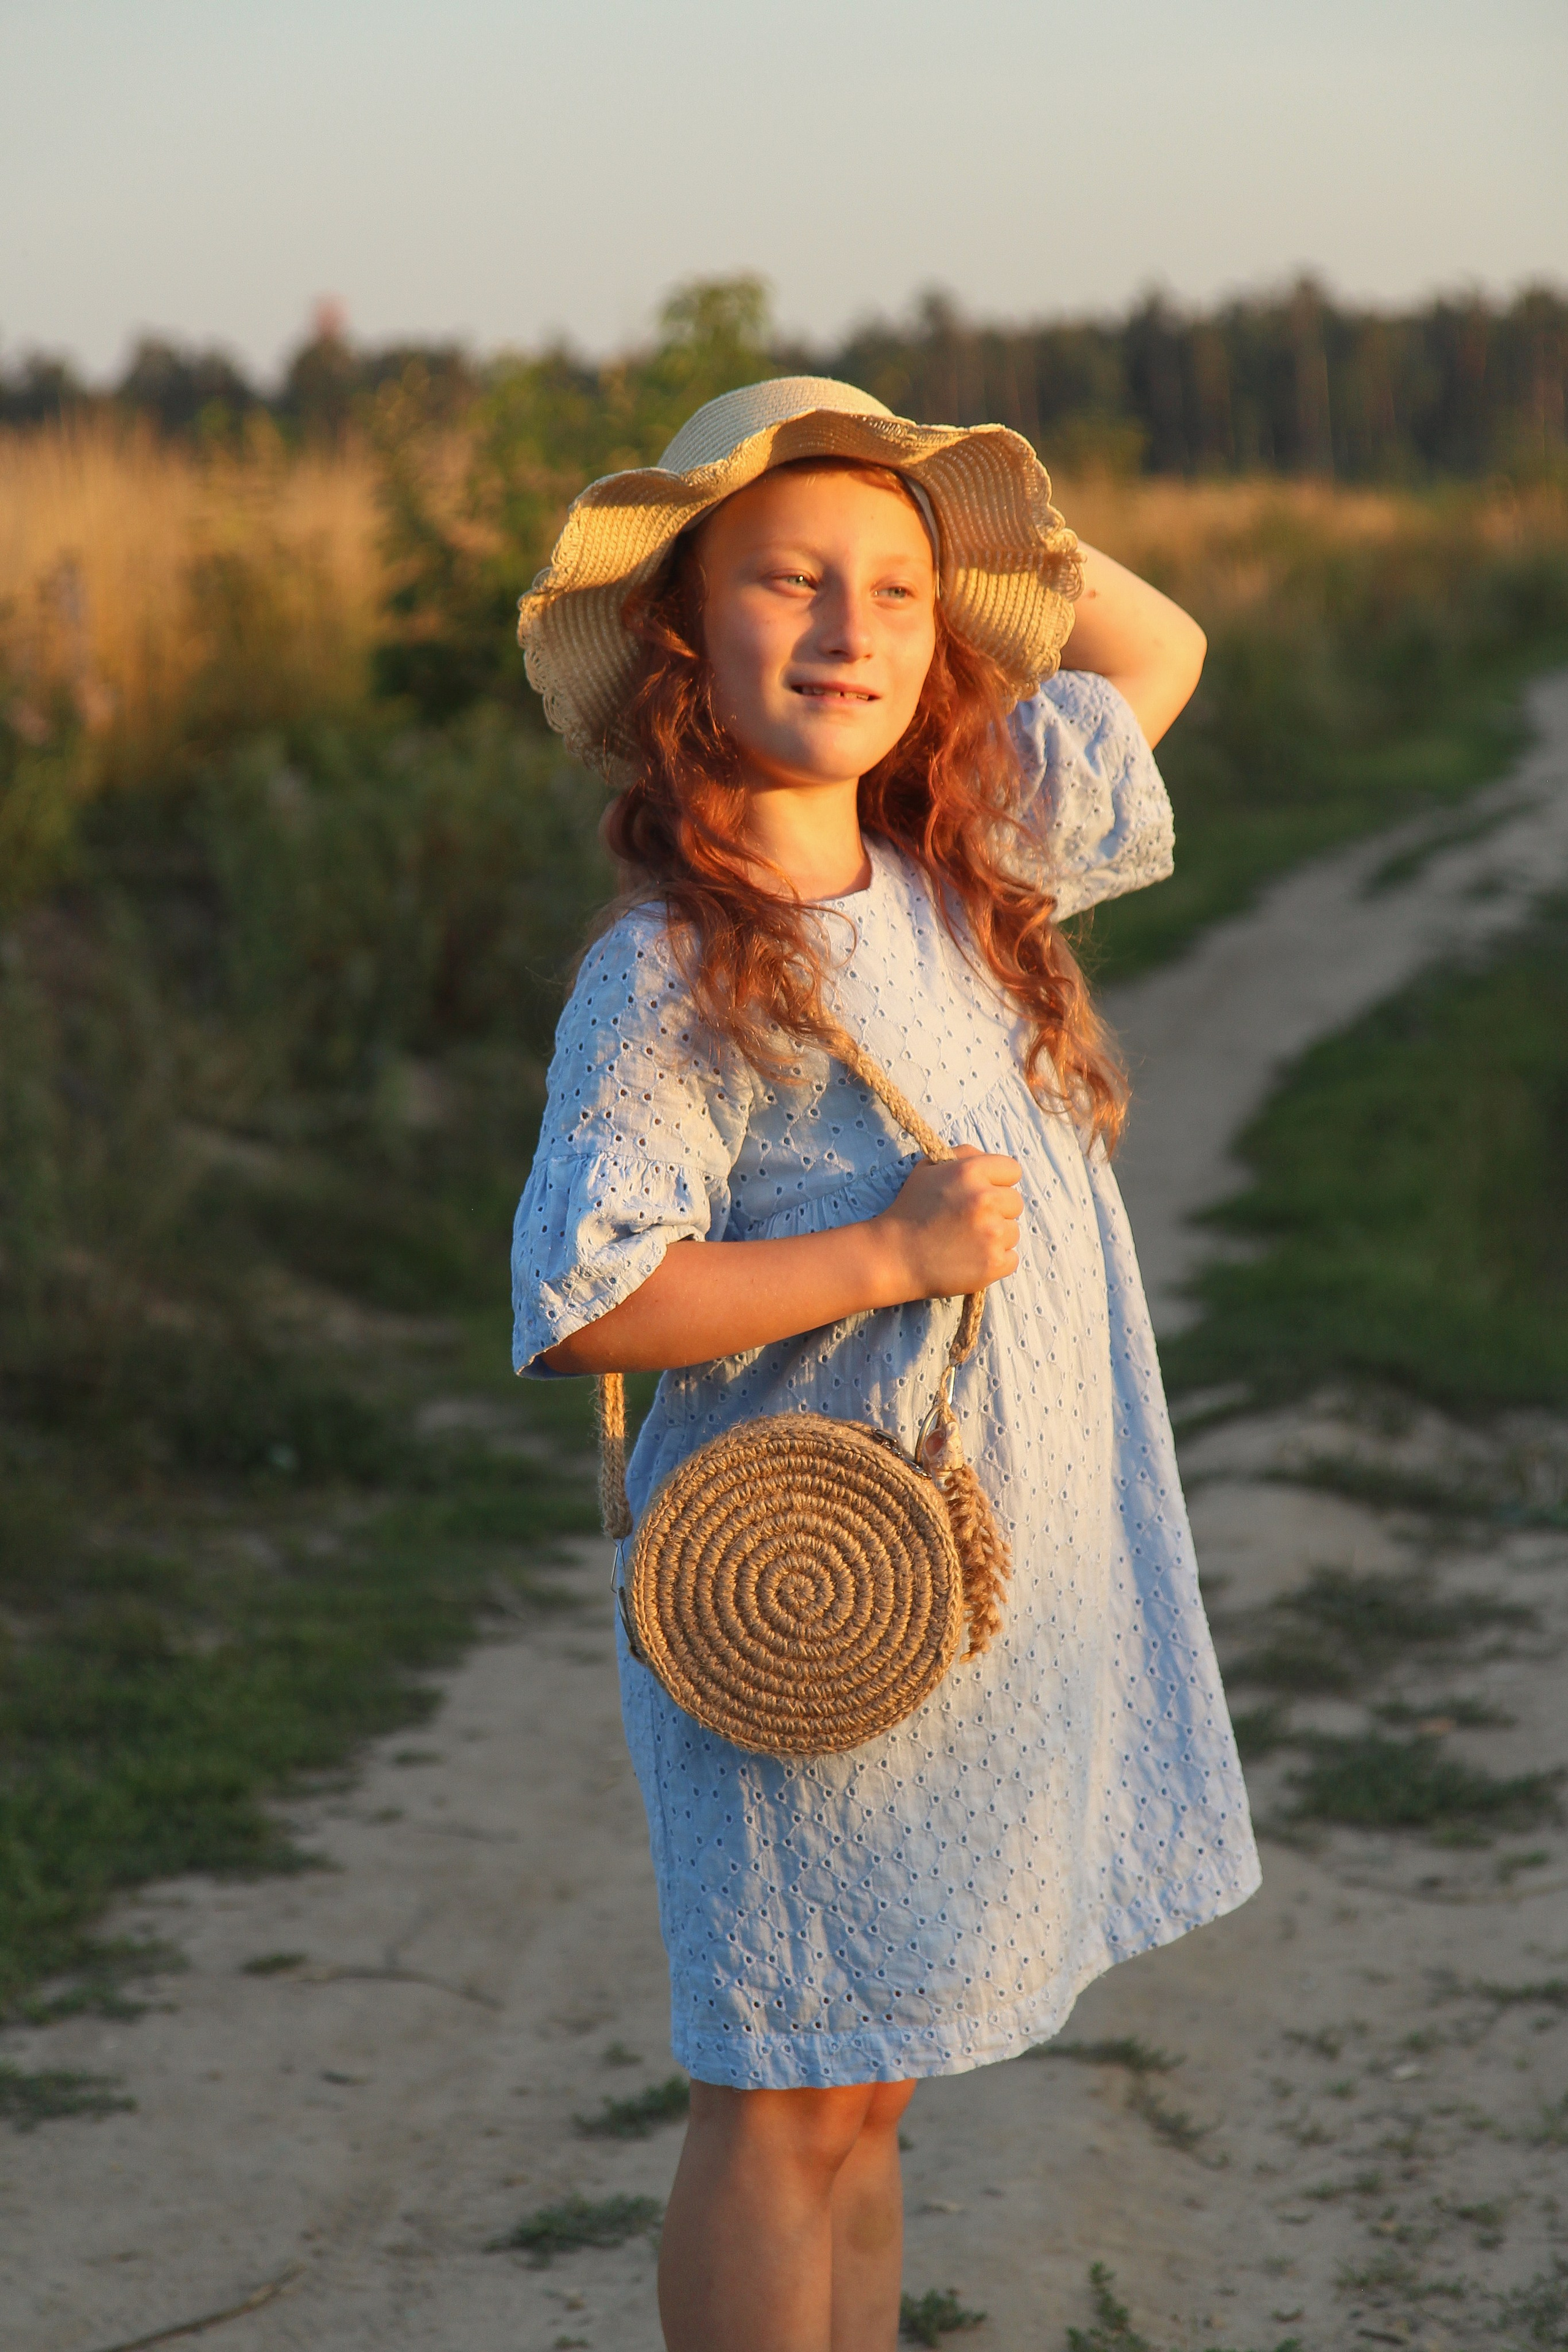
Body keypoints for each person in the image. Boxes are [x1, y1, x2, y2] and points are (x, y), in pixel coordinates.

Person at [510, 377, 1259, 2352]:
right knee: (779, 2094)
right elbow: (585, 1297)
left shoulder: (964, 864)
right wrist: (882, 1253)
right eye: (789, 581)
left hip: (972, 1595)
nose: (851, 631)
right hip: (801, 1610)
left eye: (901, 595)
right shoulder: (673, 968)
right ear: (683, 629)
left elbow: (1159, 647)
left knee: (870, 2077)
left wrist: (985, 538)